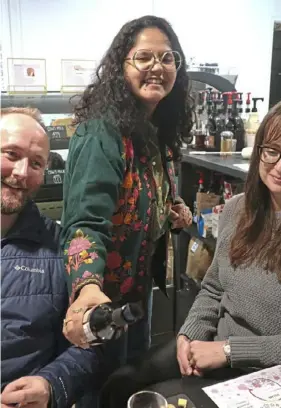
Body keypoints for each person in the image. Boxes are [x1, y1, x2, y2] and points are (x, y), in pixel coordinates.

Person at [99, 101, 281, 408]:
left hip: (263, 373)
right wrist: (188, 335)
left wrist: (228, 351)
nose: (278, 166)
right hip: (216, 350)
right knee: (119, 385)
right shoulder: (238, 209)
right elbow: (213, 287)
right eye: (272, 151)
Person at [60, 14, 193, 368]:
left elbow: (142, 197)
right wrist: (88, 287)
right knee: (101, 387)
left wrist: (171, 209)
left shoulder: (153, 130)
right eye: (144, 57)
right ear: (121, 66)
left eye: (167, 58)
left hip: (136, 291)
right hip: (101, 300)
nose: (157, 67)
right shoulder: (102, 133)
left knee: (130, 383)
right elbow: (85, 221)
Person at [1, 107, 101, 408]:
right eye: (11, 154)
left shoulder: (60, 249)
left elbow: (88, 347)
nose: (21, 173)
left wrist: (51, 384)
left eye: (35, 163)